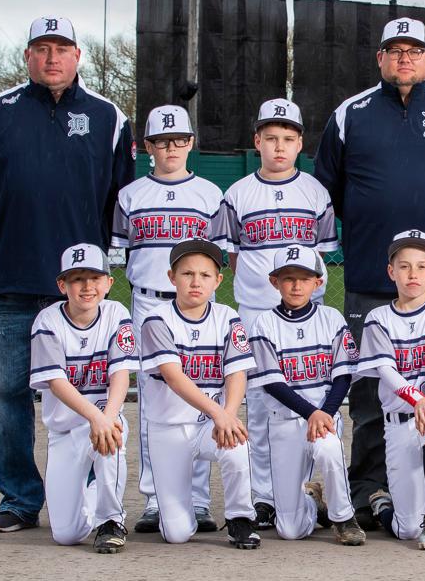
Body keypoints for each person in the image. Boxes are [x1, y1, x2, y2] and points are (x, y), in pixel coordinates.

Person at [314, 17, 425, 531]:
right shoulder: (350, 114)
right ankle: (371, 489)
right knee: (372, 388)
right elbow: (327, 189)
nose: (405, 58)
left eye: (415, 50)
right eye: (395, 50)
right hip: (371, 277)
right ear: (380, 58)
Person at [0, 16, 133, 533]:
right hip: (13, 282)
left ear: (78, 55)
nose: (52, 57)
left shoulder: (108, 116)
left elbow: (117, 198)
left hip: (81, 294)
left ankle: (91, 492)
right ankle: (19, 498)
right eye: (42, 48)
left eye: (62, 48)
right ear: (28, 56)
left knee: (90, 393)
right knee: (8, 396)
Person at [221, 99, 339, 531]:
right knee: (258, 405)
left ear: (300, 144)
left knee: (310, 396)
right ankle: (264, 497)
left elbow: (323, 255)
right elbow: (233, 255)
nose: (278, 146)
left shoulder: (315, 192)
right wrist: (258, 290)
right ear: (257, 141)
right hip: (256, 311)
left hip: (308, 313)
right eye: (270, 138)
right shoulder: (237, 194)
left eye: (288, 138)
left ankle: (309, 488)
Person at [111, 104, 228, 535]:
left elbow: (218, 258)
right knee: (154, 402)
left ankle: (197, 500)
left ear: (191, 143)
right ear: (148, 146)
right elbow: (119, 250)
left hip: (197, 305)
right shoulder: (130, 195)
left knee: (200, 393)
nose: (171, 148)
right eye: (162, 141)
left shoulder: (211, 194)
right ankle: (155, 499)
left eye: (179, 139)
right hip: (148, 302)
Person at [139, 239, 259, 548]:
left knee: (236, 444)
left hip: (208, 425)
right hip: (168, 428)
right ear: (171, 277)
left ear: (218, 280)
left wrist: (228, 416)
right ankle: (182, 515)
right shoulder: (157, 319)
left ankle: (240, 518)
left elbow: (237, 373)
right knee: (177, 534)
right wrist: (220, 414)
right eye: (187, 273)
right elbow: (174, 378)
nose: (196, 282)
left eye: (205, 275)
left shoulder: (227, 317)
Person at [247, 245, 366, 546]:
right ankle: (313, 501)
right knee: (290, 530)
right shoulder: (264, 323)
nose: (296, 285)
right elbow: (273, 383)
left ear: (318, 282)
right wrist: (311, 413)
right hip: (285, 420)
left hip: (325, 414)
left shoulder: (331, 318)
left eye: (304, 278)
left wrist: (323, 414)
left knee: (329, 448)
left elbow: (343, 375)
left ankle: (343, 517)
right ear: (274, 282)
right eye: (288, 278)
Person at [356, 230, 425, 549]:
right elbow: (386, 371)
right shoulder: (378, 317)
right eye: (404, 266)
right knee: (406, 529)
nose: (412, 273)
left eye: (421, 266)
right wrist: (418, 401)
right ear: (391, 272)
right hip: (399, 422)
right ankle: (383, 505)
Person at [29, 243, 139, 553]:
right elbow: (57, 382)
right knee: (67, 535)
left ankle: (111, 521)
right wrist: (95, 417)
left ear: (109, 283)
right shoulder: (47, 321)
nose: (87, 286)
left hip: (106, 416)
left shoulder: (116, 312)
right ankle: (94, 491)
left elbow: (121, 374)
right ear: (62, 285)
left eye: (95, 278)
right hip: (65, 430)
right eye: (77, 279)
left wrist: (107, 418)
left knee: (112, 438)